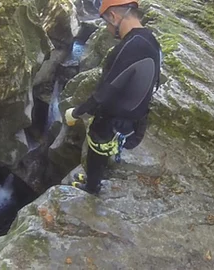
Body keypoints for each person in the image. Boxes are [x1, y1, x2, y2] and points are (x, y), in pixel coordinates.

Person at [64, 0, 162, 194]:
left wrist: (75, 112)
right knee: (102, 151)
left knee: (96, 150)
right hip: (133, 118)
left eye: (107, 23)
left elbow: (104, 92)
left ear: (114, 16)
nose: (108, 30)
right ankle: (94, 180)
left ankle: (92, 188)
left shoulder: (130, 47)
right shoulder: (151, 40)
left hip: (114, 120)